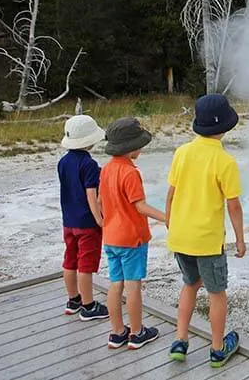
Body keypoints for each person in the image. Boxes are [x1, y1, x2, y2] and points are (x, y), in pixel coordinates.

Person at [165, 94, 245, 368]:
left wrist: (170, 223)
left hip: (181, 236)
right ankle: (217, 348)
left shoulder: (182, 152)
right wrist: (240, 239)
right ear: (225, 126)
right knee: (216, 292)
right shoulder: (225, 161)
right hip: (208, 241)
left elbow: (171, 194)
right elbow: (233, 206)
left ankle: (179, 341)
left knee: (189, 284)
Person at [99, 117, 166, 350]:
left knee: (115, 283)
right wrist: (168, 217)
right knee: (133, 285)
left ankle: (117, 332)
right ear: (130, 147)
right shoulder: (130, 173)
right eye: (139, 144)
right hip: (132, 238)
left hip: (111, 237)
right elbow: (140, 206)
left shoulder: (106, 170)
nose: (142, 148)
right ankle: (137, 333)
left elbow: (100, 202)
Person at [58, 114, 109, 321]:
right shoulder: (88, 164)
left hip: (68, 220)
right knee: (86, 265)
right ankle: (88, 305)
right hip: (87, 223)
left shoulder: (63, 162)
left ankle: (73, 300)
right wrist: (99, 219)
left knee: (70, 260)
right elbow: (91, 193)